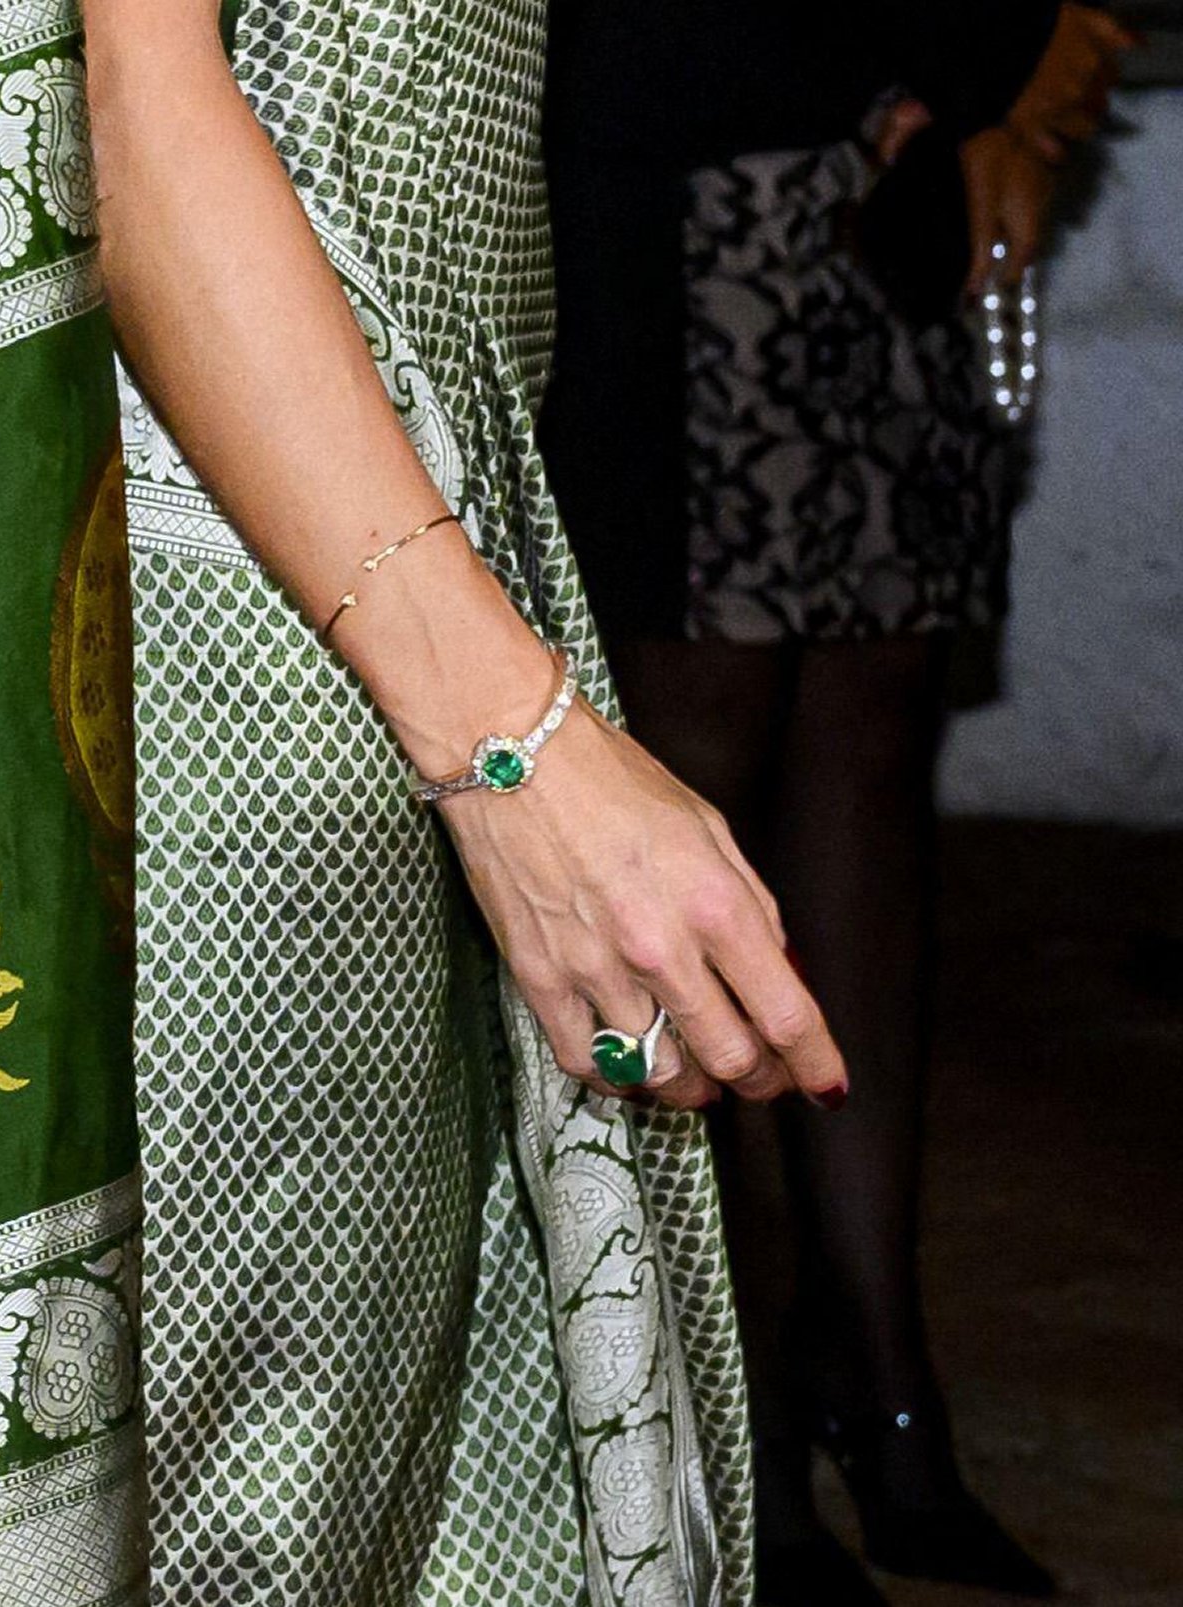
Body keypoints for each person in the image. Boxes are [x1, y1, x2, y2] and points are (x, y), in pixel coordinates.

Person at [0, 0, 849, 1600]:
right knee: (243, 1492)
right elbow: (127, 97)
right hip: (242, 629)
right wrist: (512, 747)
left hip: (375, 527)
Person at [540, 4, 1133, 1603]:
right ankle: (735, 1437)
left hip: (891, 215)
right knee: (691, 795)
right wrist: (992, 47)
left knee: (871, 760)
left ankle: (882, 1383)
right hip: (678, 197)